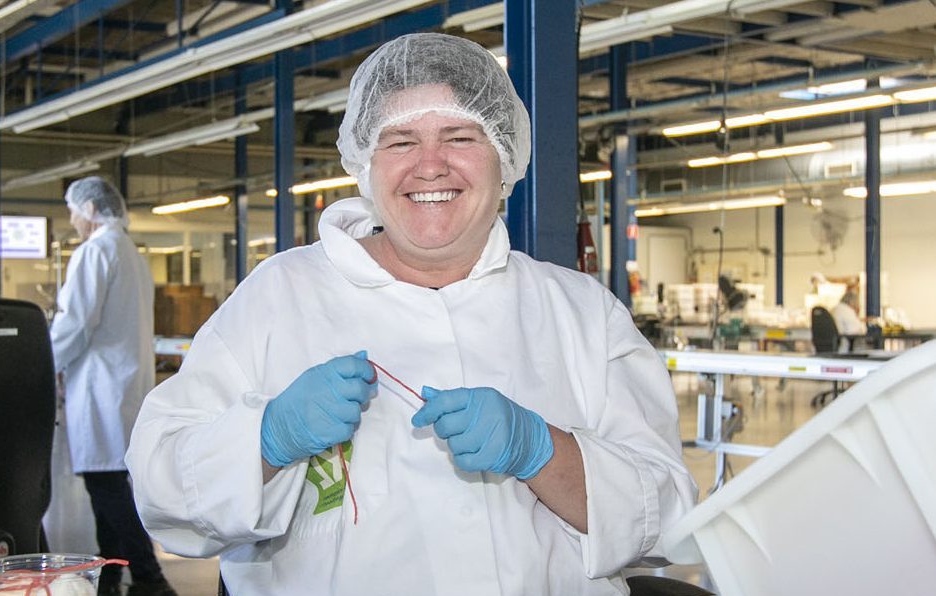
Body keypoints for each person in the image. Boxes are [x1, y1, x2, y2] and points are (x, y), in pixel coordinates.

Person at [126, 34, 695, 595]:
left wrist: (542, 451)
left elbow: (669, 518)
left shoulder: (580, 312)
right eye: (400, 141)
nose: (430, 166)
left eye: (459, 136)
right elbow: (163, 495)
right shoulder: (280, 295)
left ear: (504, 157)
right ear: (364, 164)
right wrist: (268, 439)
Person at [50, 176, 171, 596]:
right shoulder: (129, 253)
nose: (72, 220)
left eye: (74, 211)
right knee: (110, 485)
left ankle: (149, 577)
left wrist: (44, 360)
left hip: (101, 386)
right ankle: (111, 577)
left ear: (90, 210)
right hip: (122, 383)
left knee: (108, 489)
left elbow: (75, 321)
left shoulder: (95, 251)